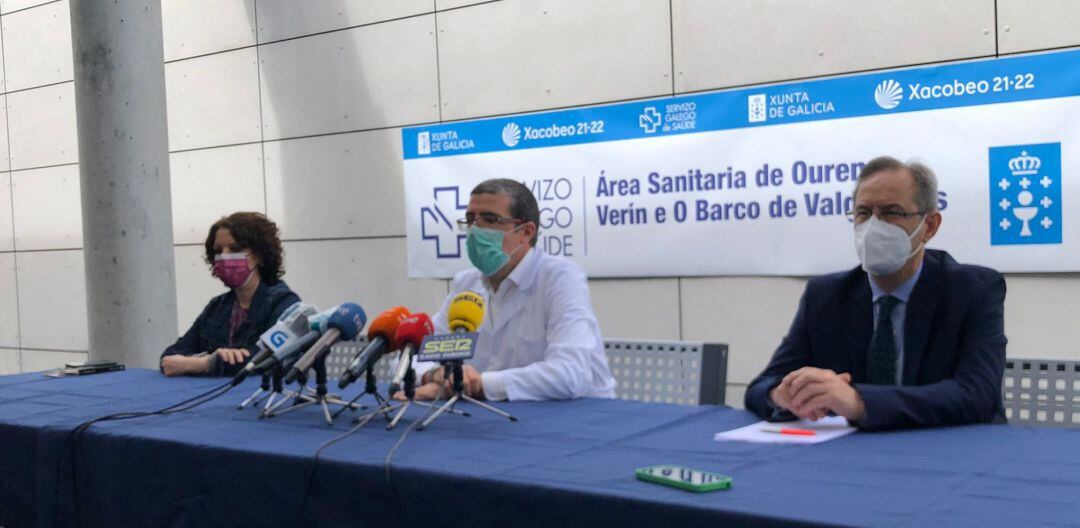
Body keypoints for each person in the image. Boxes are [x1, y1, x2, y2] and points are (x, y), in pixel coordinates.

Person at [745, 157, 1007, 430]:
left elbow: (978, 395)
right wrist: (783, 394)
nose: (873, 226)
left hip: (953, 452)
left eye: (891, 212)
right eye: (863, 213)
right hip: (852, 454)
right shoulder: (825, 296)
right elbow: (761, 386)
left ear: (929, 226)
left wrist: (860, 402)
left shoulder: (973, 289)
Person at [407, 178, 616, 401]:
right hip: (493, 416)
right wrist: (434, 374)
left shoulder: (559, 277)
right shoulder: (466, 283)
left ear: (526, 231)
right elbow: (415, 356)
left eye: (490, 220)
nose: (475, 230)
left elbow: (570, 375)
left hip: (580, 418)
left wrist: (478, 384)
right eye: (470, 219)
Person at [160, 212, 300, 377]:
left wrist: (204, 363)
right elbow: (170, 357)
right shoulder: (217, 306)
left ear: (259, 256)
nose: (224, 256)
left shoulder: (284, 304)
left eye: (235, 248)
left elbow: (263, 361)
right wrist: (207, 360)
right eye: (218, 251)